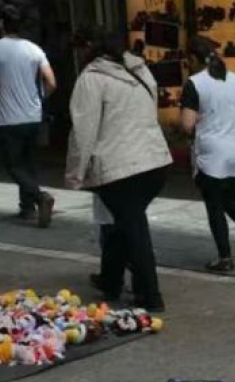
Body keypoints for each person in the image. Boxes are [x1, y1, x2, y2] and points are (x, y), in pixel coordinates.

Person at [65, 31, 173, 313]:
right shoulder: (142, 72)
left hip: (119, 168)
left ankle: (150, 294)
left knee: (133, 227)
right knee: (124, 222)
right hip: (155, 162)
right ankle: (111, 280)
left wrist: (75, 173)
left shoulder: (91, 78)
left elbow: (83, 131)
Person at [180, 36, 235, 273]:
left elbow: (187, 125)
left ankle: (225, 257)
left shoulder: (194, 84)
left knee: (215, 206)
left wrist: (197, 119)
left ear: (194, 59)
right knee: (229, 198)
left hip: (210, 156)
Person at [0, 4, 57, 228]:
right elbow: (51, 82)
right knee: (28, 162)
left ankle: (39, 196)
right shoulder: (34, 49)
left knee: (13, 165)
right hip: (33, 116)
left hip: (9, 119)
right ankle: (27, 209)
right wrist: (38, 98)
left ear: (1, 22)